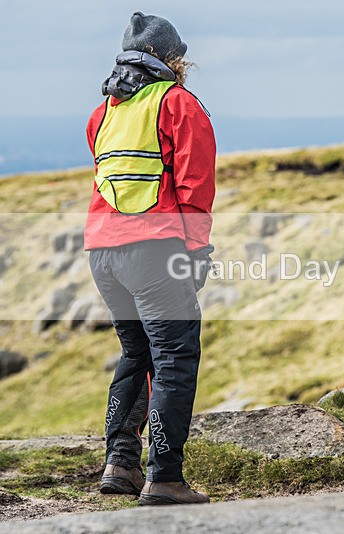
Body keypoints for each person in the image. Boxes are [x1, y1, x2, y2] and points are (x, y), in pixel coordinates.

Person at [85, 12, 216, 505]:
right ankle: (165, 477)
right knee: (174, 357)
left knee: (135, 353)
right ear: (173, 59)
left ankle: (120, 465)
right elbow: (195, 187)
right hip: (155, 249)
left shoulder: (105, 112)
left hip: (102, 251)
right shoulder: (179, 104)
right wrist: (197, 253)